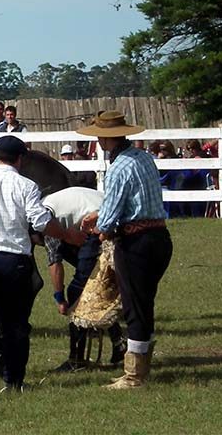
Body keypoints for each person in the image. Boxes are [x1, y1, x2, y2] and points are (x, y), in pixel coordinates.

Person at [0, 135, 84, 393]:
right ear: (20, 159)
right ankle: (14, 378)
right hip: (15, 259)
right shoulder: (27, 186)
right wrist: (68, 235)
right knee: (16, 322)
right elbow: (40, 222)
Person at [77, 110, 172, 389]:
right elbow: (131, 200)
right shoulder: (144, 158)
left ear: (105, 139)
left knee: (134, 307)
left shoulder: (119, 167)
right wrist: (102, 214)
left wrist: (99, 227)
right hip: (158, 237)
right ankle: (140, 367)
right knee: (144, 302)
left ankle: (134, 374)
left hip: (135, 243)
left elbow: (109, 220)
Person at [38, 186, 126, 372]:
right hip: (112, 219)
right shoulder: (52, 202)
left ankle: (77, 361)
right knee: (95, 288)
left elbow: (55, 263)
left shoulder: (45, 220)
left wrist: (60, 298)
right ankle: (119, 342)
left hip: (102, 224)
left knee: (77, 291)